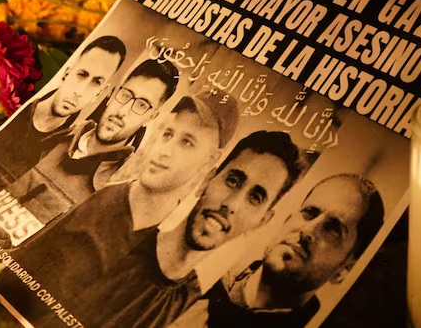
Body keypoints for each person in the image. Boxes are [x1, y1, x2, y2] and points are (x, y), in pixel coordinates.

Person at [0, 91, 239, 312]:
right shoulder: (104, 196)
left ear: (210, 161)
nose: (165, 150)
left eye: (187, 142)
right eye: (168, 134)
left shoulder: (172, 249)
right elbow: (23, 261)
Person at [62, 130, 304, 328]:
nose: (232, 204)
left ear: (262, 221)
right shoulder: (108, 239)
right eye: (233, 181)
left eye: (255, 198)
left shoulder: (197, 307)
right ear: (207, 180)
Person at [0, 58, 180, 249]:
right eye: (125, 95)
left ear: (150, 117)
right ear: (112, 94)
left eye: (142, 105)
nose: (122, 111)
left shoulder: (117, 188)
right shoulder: (59, 134)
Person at [202, 173, 385, 327]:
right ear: (287, 220)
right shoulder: (207, 276)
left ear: (343, 271)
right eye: (310, 213)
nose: (307, 230)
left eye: (333, 229)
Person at [0, 35, 126, 181]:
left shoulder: (67, 150)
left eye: (96, 82)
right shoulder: (13, 101)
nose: (80, 91)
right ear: (66, 73)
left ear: (99, 93)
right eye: (81, 75)